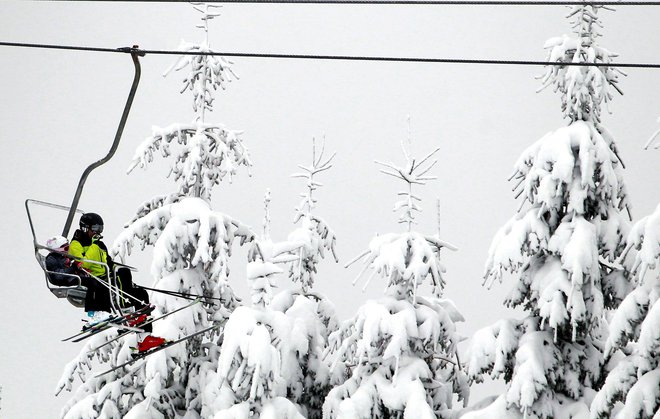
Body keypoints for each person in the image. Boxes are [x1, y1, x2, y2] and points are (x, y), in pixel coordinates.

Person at [69, 212, 165, 352]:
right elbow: (82, 264)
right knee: (120, 277)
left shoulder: (98, 244)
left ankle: (144, 339)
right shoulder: (77, 244)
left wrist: (118, 270)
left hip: (108, 276)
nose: (98, 232)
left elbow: (108, 262)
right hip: (95, 279)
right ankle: (127, 311)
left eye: (100, 229)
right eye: (95, 228)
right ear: (85, 228)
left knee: (141, 293)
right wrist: (95, 246)